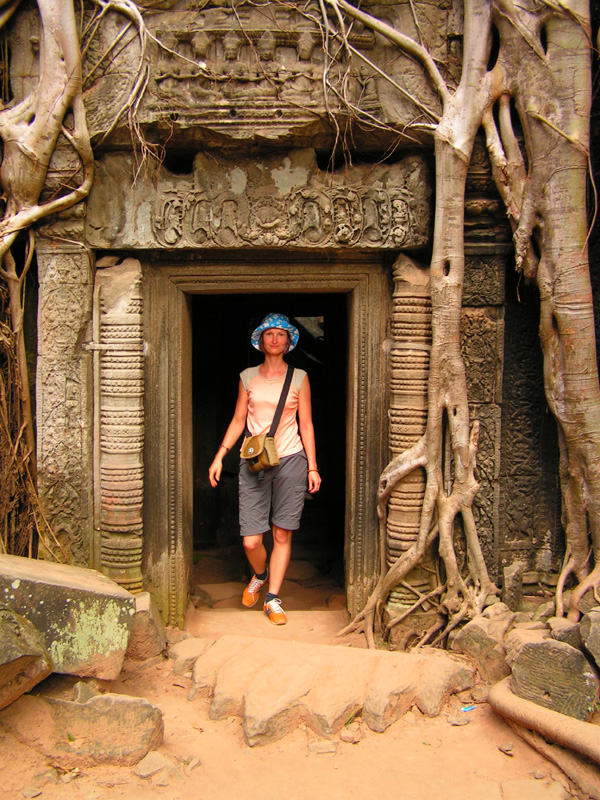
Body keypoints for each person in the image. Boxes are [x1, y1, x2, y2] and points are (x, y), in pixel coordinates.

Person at [208, 313, 321, 625]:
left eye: (280, 334)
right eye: (268, 334)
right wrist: (220, 456)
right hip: (255, 461)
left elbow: (306, 425)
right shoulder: (247, 377)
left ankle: (272, 598)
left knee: (282, 533)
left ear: (288, 342)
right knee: (251, 541)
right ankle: (260, 574)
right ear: (260, 341)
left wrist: (312, 467)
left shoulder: (299, 378)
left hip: (292, 459)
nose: (274, 339)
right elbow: (237, 420)